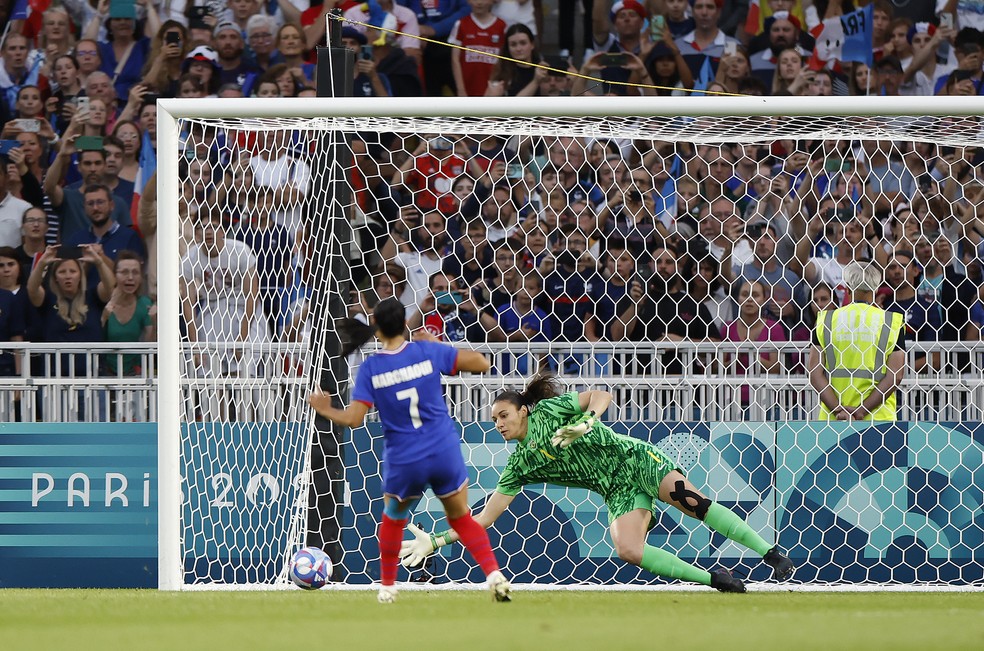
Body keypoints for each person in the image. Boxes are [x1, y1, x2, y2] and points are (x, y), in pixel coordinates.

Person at [398, 374, 795, 592]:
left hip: (636, 460)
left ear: (523, 410)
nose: (498, 424)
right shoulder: (520, 466)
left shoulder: (552, 411)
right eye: (494, 420)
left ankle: (770, 552)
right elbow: (483, 519)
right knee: (628, 550)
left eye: (504, 415)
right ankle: (716, 580)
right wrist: (434, 541)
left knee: (691, 502)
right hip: (616, 490)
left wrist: (587, 421)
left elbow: (600, 395)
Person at [308, 297, 511, 604]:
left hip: (405, 457)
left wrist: (325, 409)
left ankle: (388, 586)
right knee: (460, 519)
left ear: (376, 328)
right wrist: (437, 344)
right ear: (406, 324)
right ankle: (493, 573)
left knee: (393, 519)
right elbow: (483, 363)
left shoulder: (372, 368)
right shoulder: (426, 351)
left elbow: (353, 420)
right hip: (442, 449)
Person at [808, 261, 906, 422]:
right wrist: (862, 411)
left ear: (847, 288)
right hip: (879, 418)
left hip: (833, 419)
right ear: (876, 288)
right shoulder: (891, 321)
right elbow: (895, 375)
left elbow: (814, 373)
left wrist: (839, 411)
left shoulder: (826, 319)